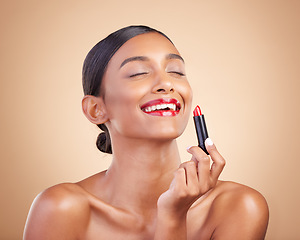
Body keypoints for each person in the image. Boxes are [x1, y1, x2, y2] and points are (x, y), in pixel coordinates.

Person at [23, 25, 269, 240]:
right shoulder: (58, 209)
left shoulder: (238, 207)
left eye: (176, 71)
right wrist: (172, 216)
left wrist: (173, 216)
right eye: (138, 73)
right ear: (96, 109)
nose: (167, 83)